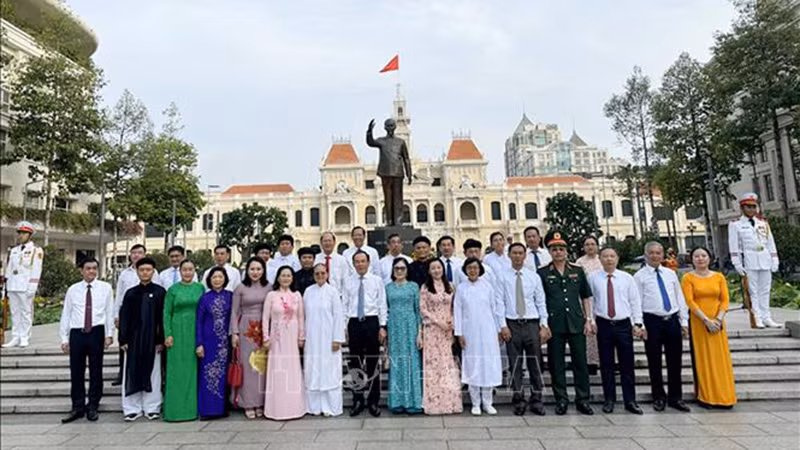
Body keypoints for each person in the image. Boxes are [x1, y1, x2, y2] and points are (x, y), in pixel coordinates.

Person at [538, 231, 594, 416]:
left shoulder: (577, 270)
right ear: (550, 251)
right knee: (556, 364)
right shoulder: (543, 272)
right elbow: (540, 299)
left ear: (567, 251)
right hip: (555, 324)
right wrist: (543, 324)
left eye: (561, 249)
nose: (558, 252)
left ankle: (583, 399)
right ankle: (561, 399)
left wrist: (588, 319)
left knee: (580, 362)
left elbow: (585, 296)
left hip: (576, 322)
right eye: (554, 249)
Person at [634, 241, 691, 413]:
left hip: (672, 320)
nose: (655, 256)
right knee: (654, 361)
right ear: (646, 254)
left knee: (675, 360)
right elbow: (636, 302)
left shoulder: (670, 274)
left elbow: (679, 297)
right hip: (652, 322)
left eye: (658, 253)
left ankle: (676, 397)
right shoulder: (639, 276)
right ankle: (658, 396)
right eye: (651, 253)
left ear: (663, 255)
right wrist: (639, 324)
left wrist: (683, 321)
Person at [588, 247, 644, 415]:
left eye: (612, 256)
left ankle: (630, 400)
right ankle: (609, 399)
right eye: (605, 256)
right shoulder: (593, 278)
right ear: (600, 258)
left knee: (627, 364)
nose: (609, 259)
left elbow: (635, 301)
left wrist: (638, 323)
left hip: (623, 324)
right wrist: (590, 320)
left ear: (617, 258)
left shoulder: (627, 278)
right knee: (606, 364)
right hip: (604, 324)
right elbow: (590, 301)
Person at [496, 243, 549, 416]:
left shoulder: (533, 277)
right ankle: (518, 399)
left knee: (535, 363)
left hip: (532, 324)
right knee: (515, 364)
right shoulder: (502, 277)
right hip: (512, 324)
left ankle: (537, 399)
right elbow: (499, 302)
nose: (518, 256)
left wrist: (544, 324)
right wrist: (502, 325)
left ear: (525, 255)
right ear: (509, 255)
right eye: (514, 253)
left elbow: (540, 301)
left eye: (520, 253)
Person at [59, 258, 114, 423]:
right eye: (88, 268)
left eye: (94, 268)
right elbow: (66, 314)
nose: (91, 271)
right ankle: (77, 407)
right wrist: (64, 338)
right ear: (81, 270)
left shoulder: (105, 288)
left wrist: (109, 334)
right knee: (76, 371)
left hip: (96, 331)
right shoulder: (73, 289)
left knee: (96, 371)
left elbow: (109, 312)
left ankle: (93, 406)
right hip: (77, 333)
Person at [681, 247, 737, 409]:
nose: (700, 259)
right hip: (699, 323)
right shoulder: (687, 278)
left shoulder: (718, 277)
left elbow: (725, 300)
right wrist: (706, 320)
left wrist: (718, 319)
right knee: (703, 359)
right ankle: (706, 397)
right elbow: (690, 301)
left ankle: (725, 397)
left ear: (709, 258)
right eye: (696, 256)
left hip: (718, 323)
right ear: (692, 259)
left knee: (721, 359)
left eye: (703, 256)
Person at [118, 257, 166, 421]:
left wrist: (161, 340)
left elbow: (163, 318)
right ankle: (132, 408)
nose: (145, 272)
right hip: (133, 340)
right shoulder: (131, 293)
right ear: (137, 272)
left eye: (148, 270)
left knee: (153, 373)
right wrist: (123, 340)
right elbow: (124, 317)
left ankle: (152, 407)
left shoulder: (160, 292)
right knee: (131, 372)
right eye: (142, 270)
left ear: (153, 272)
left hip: (153, 340)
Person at [454, 258, 503, 416]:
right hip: (469, 333)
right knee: (472, 365)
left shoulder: (488, 286)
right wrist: (459, 333)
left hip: (488, 332)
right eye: (469, 268)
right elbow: (458, 312)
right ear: (465, 270)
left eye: (475, 268)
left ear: (480, 269)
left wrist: (498, 330)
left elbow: (494, 309)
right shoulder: (461, 288)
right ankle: (475, 403)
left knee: (487, 365)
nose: (473, 271)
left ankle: (487, 402)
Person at [343, 251, 387, 417]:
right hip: (354, 323)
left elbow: (382, 304)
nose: (360, 264)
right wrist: (344, 327)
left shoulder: (376, 281)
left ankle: (373, 400)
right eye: (357, 262)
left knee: (373, 363)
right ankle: (358, 399)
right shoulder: (348, 282)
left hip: (371, 322)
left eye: (363, 261)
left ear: (368, 263)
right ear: (353, 264)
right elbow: (344, 304)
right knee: (355, 363)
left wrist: (382, 326)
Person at [728, 192, 781, 328]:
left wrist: (775, 259)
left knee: (765, 289)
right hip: (749, 260)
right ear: (742, 208)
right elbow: (734, 246)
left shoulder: (763, 223)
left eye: (753, 206)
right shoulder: (736, 225)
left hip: (765, 259)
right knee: (753, 291)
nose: (751, 209)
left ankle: (766, 317)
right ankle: (756, 316)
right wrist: (737, 263)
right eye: (748, 207)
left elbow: (770, 242)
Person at [112, 244, 160, 386]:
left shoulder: (154, 273)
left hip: (147, 315)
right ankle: (122, 374)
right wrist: (117, 315)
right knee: (125, 345)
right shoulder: (124, 274)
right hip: (128, 315)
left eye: (139, 253)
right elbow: (119, 295)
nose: (136, 255)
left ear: (144, 254)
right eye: (133, 253)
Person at [162, 259, 205, 422]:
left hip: (195, 331)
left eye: (190, 269)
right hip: (177, 332)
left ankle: (192, 410)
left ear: (195, 271)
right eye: (184, 270)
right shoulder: (173, 290)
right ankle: (174, 410)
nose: (187, 272)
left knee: (193, 371)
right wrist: (168, 334)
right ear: (180, 271)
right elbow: (166, 313)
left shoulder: (200, 288)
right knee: (176, 371)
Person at [263, 265, 306, 420]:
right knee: (278, 369)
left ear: (292, 278)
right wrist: (265, 337)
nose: (286, 278)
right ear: (278, 278)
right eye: (283, 275)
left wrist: (302, 336)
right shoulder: (271, 295)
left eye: (288, 275)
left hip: (292, 337)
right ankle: (276, 408)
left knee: (293, 368)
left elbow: (301, 317)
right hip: (277, 337)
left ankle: (295, 407)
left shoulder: (297, 295)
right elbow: (265, 318)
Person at [419, 259, 462, 415]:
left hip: (447, 330)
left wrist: (452, 323)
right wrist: (439, 322)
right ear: (429, 271)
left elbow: (455, 307)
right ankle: (434, 403)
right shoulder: (425, 288)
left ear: (442, 269)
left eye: (439, 267)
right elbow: (423, 309)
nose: (436, 270)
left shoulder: (450, 286)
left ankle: (450, 402)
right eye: (433, 268)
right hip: (432, 330)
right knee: (433, 365)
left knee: (447, 365)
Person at [231, 257, 271, 419]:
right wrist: (234, 333)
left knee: (262, 366)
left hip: (264, 329)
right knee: (247, 367)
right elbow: (234, 312)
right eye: (252, 269)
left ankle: (261, 402)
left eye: (258, 269)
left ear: (263, 271)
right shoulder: (240, 288)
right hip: (246, 329)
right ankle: (247, 403)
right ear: (247, 271)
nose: (255, 272)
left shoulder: (269, 287)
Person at [303, 264, 345, 416]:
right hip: (312, 339)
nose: (320, 275)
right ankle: (314, 407)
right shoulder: (308, 291)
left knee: (330, 373)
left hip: (329, 340)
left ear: (327, 274)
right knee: (313, 371)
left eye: (322, 273)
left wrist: (337, 339)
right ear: (313, 275)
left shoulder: (333, 292)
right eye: (317, 273)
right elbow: (304, 316)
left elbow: (338, 315)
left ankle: (330, 407)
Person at [386, 257, 423, 414]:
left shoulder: (414, 287)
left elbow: (418, 310)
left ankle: (413, 402)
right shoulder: (388, 288)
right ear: (393, 271)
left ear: (407, 270)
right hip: (394, 328)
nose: (399, 271)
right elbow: (385, 309)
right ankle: (397, 401)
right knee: (397, 363)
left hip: (410, 327)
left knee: (412, 363)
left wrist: (420, 333)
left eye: (402, 268)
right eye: (397, 268)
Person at [196, 266, 233, 419]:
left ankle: (222, 409)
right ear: (209, 280)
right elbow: (199, 322)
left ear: (225, 279)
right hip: (208, 342)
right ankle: (207, 410)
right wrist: (199, 343)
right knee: (208, 374)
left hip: (225, 342)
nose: (217, 280)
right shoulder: (204, 298)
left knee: (223, 375)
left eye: (220, 277)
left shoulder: (231, 296)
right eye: (214, 277)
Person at [2, 221, 43, 348]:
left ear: (30, 235)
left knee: (26, 312)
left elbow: (36, 269)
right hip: (13, 286)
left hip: (26, 286)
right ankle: (16, 336)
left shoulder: (36, 251)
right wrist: (6, 287)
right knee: (15, 312)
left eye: (23, 233)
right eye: (19, 232)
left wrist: (32, 287)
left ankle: (24, 337)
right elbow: (9, 269)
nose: (20, 235)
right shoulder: (14, 250)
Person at [575, 235, 602, 376]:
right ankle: (592, 362)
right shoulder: (579, 262)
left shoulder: (602, 259)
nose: (590, 247)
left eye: (592, 244)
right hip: (586, 299)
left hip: (602, 299)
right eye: (587, 244)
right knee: (590, 333)